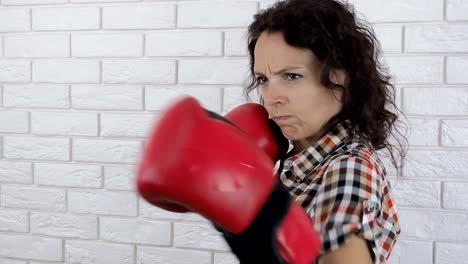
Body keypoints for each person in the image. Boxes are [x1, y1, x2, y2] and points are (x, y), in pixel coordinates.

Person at [239, 0, 407, 263]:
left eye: (292, 76)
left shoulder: (349, 169)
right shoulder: (299, 162)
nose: (272, 97)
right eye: (263, 79)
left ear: (341, 77)